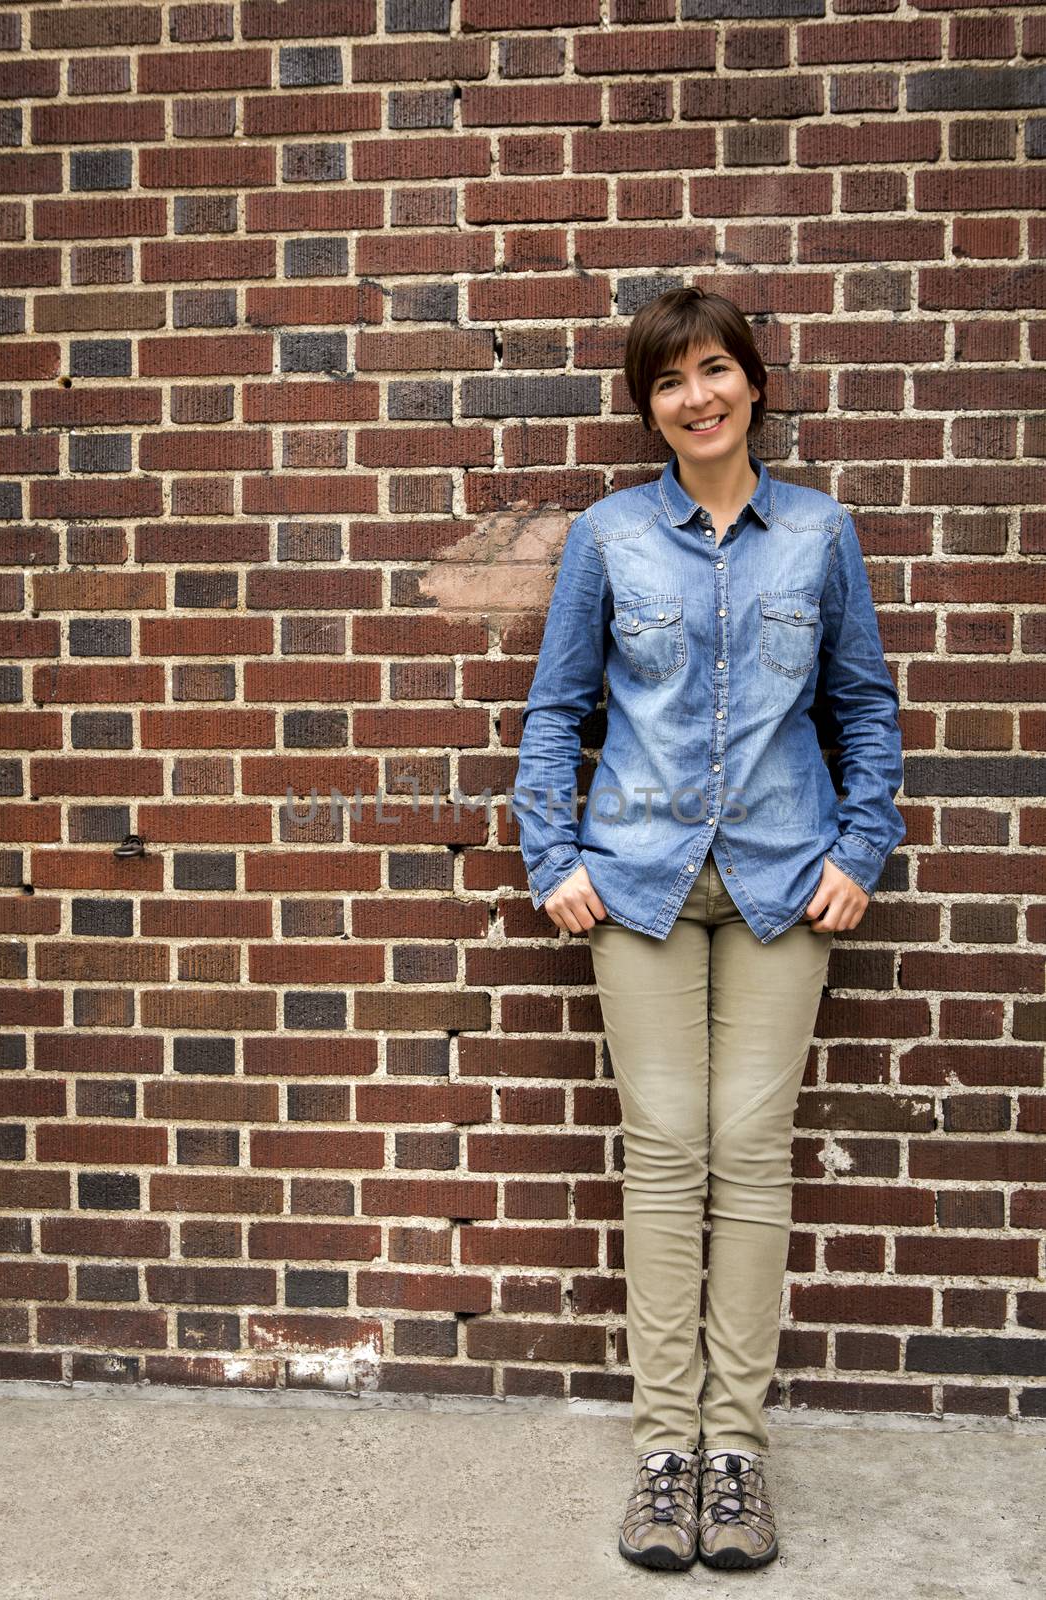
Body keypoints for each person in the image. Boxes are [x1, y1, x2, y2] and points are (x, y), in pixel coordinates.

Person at [511, 285, 905, 1572]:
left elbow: (863, 709)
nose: (695, 398)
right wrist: (551, 854)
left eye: (715, 370)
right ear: (648, 409)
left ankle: (734, 1456)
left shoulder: (817, 535)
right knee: (666, 1145)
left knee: (750, 1144)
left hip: (785, 881)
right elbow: (556, 709)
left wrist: (860, 848)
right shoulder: (610, 538)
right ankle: (661, 1453)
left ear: (751, 382)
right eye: (668, 382)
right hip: (637, 882)